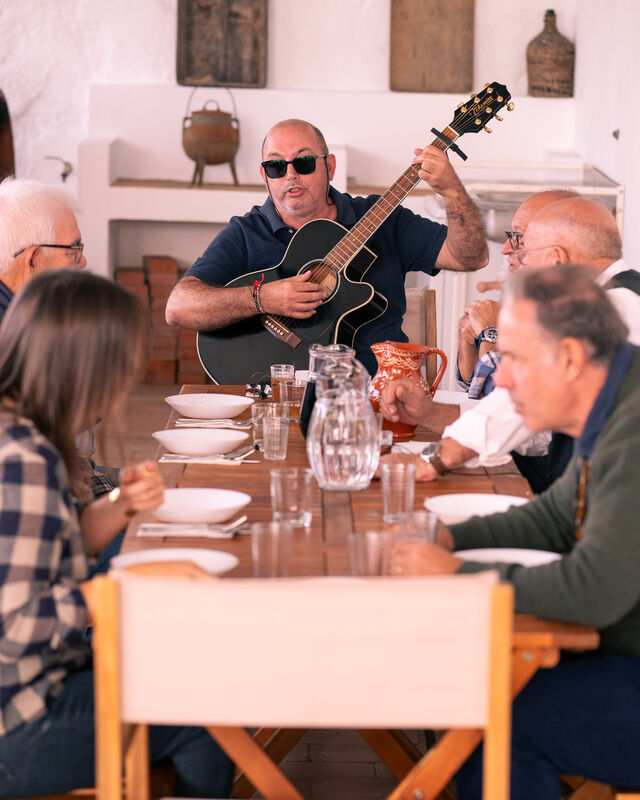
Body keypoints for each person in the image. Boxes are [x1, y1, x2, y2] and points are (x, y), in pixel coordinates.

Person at [390, 265, 640, 798]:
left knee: (490, 717)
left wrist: (458, 573)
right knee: (473, 680)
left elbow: (595, 589)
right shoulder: (619, 398)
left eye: (516, 360)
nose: (499, 380)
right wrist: (450, 538)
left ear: (570, 358)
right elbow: (555, 516)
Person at [0, 270, 234, 798]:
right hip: (20, 720)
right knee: (204, 709)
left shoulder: (21, 434)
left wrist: (121, 505)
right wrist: (118, 592)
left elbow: (49, 548)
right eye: (120, 364)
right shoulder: (23, 460)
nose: (124, 382)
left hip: (33, 691)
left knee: (181, 672)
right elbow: (15, 625)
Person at [165, 118, 489, 376]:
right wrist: (261, 298)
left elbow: (472, 256)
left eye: (304, 162)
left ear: (329, 167)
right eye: (276, 167)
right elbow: (178, 307)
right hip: (273, 397)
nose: (290, 175)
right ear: (264, 176)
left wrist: (452, 191)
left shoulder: (382, 217)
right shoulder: (247, 232)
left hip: (379, 398)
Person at [380, 195, 640, 489]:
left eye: (525, 251)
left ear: (557, 260)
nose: (515, 258)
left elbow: (517, 401)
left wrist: (431, 460)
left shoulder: (613, 312)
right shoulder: (614, 301)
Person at [456, 189, 578, 398]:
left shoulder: (576, 317)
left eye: (518, 238)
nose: (505, 249)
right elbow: (474, 387)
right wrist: (471, 340)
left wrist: (489, 334)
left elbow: (504, 403)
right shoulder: (536, 302)